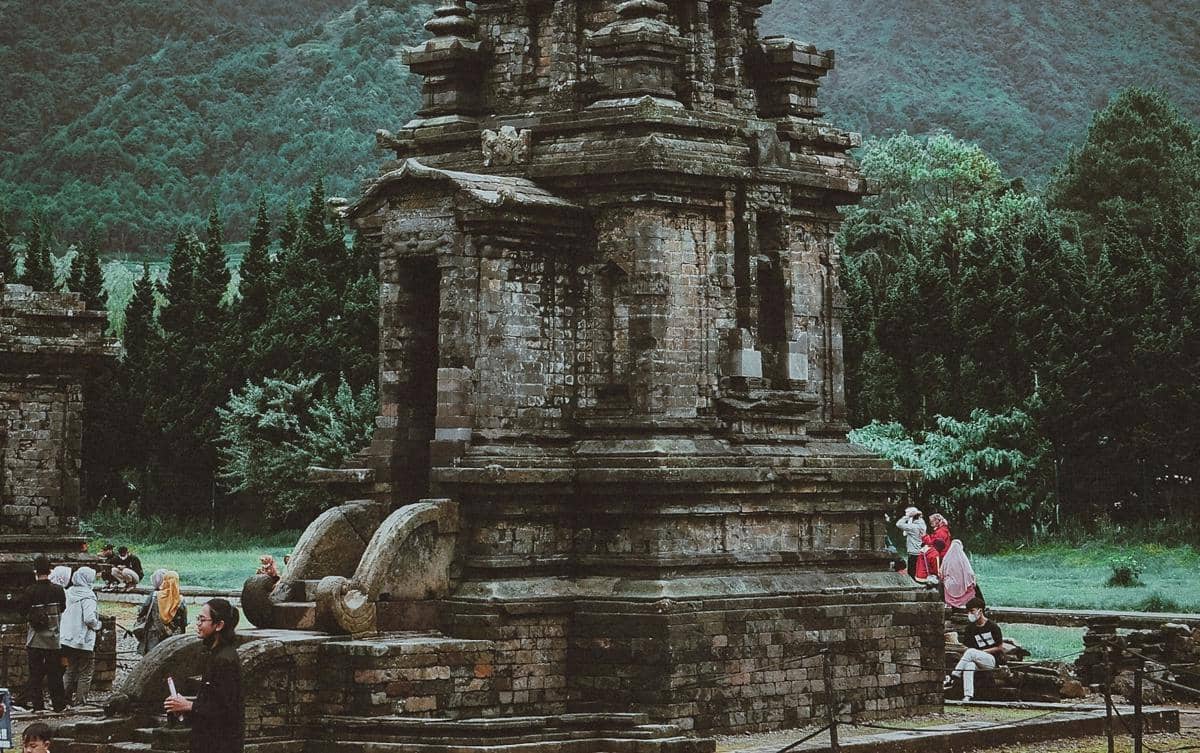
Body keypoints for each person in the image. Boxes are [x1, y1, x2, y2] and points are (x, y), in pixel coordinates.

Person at [164, 598, 244, 753]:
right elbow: (211, 702)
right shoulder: (215, 655)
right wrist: (183, 708)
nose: (198, 624)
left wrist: (189, 706)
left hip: (221, 745)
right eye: (198, 619)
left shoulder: (225, 660)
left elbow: (227, 710)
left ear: (219, 625)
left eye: (202, 619)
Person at [20, 555, 67, 713]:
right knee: (55, 674)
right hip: (54, 639)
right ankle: (59, 705)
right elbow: (62, 609)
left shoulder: (30, 591)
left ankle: (38, 705)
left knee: (36, 675)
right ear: (49, 570)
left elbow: (22, 612)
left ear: (35, 571)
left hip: (35, 639)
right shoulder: (59, 590)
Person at [945, 597, 1006, 702]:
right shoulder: (970, 628)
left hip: (991, 660)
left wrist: (982, 652)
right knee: (969, 666)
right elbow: (968, 647)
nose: (970, 614)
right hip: (975, 659)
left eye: (972, 611)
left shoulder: (993, 626)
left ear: (980, 611)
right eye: (968, 612)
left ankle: (953, 676)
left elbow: (1000, 647)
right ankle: (968, 695)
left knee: (971, 652)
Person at [60, 566, 103, 707]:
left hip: (68, 638)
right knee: (85, 671)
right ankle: (80, 702)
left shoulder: (68, 592)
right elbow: (89, 618)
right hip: (83, 640)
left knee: (70, 669)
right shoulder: (89, 596)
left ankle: (63, 699)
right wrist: (98, 625)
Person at [137, 570, 187, 655]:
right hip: (174, 635)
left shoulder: (154, 596)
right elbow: (184, 621)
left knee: (151, 658)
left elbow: (143, 611)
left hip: (153, 633)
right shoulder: (180, 600)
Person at [941, 540, 980, 608]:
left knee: (945, 583)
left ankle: (950, 602)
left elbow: (941, 572)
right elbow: (970, 573)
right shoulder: (963, 559)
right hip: (962, 585)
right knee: (971, 585)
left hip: (950, 585)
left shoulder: (946, 558)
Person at [893, 506, 926, 578]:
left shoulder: (913, 527)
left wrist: (907, 516)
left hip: (913, 552)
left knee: (911, 573)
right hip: (919, 550)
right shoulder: (922, 524)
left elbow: (899, 524)